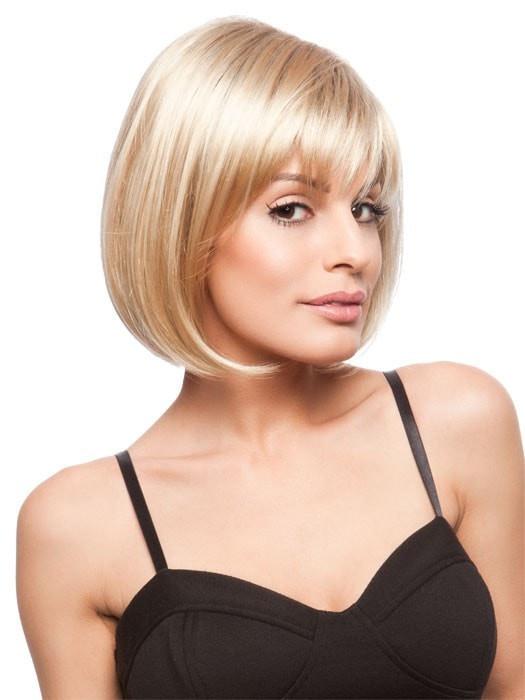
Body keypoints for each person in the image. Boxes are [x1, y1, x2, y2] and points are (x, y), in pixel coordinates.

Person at [16, 15, 524, 700]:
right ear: (182, 222)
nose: (355, 251)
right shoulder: (79, 525)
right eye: (291, 209)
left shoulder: (456, 423)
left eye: (366, 208)